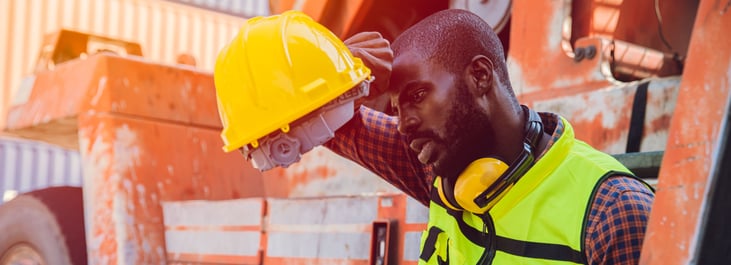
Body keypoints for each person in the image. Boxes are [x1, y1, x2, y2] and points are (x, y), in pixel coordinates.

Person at [326, 9, 654, 264]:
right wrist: (328, 70)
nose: (402, 124)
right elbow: (323, 126)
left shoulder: (612, 213)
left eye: (417, 96)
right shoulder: (436, 169)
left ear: (480, 76)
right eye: (396, 109)